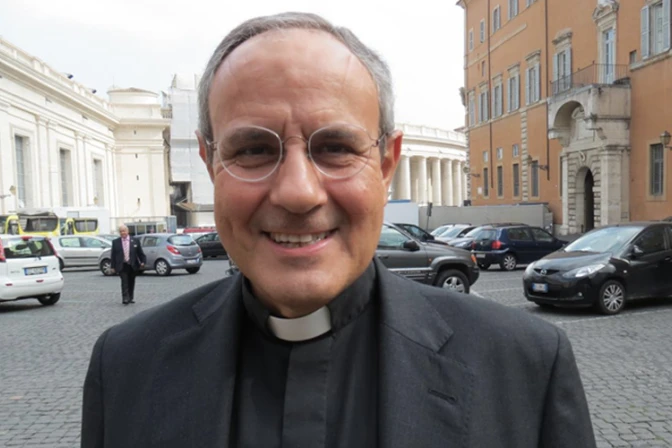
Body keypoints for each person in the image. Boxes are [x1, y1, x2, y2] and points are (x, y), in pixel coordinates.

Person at [81, 12, 596, 447]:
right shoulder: (125, 368)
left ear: (387, 164)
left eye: (336, 148)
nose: (298, 193)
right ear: (210, 163)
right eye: (253, 150)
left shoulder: (525, 367)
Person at [109, 224, 146, 305]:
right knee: (124, 281)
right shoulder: (115, 242)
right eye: (121, 231)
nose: (123, 233)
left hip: (132, 265)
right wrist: (113, 267)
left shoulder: (135, 241)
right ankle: (125, 298)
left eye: (124, 231)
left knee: (131, 281)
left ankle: (131, 297)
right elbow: (113, 255)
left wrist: (143, 261)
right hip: (122, 265)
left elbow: (140, 252)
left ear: (127, 231)